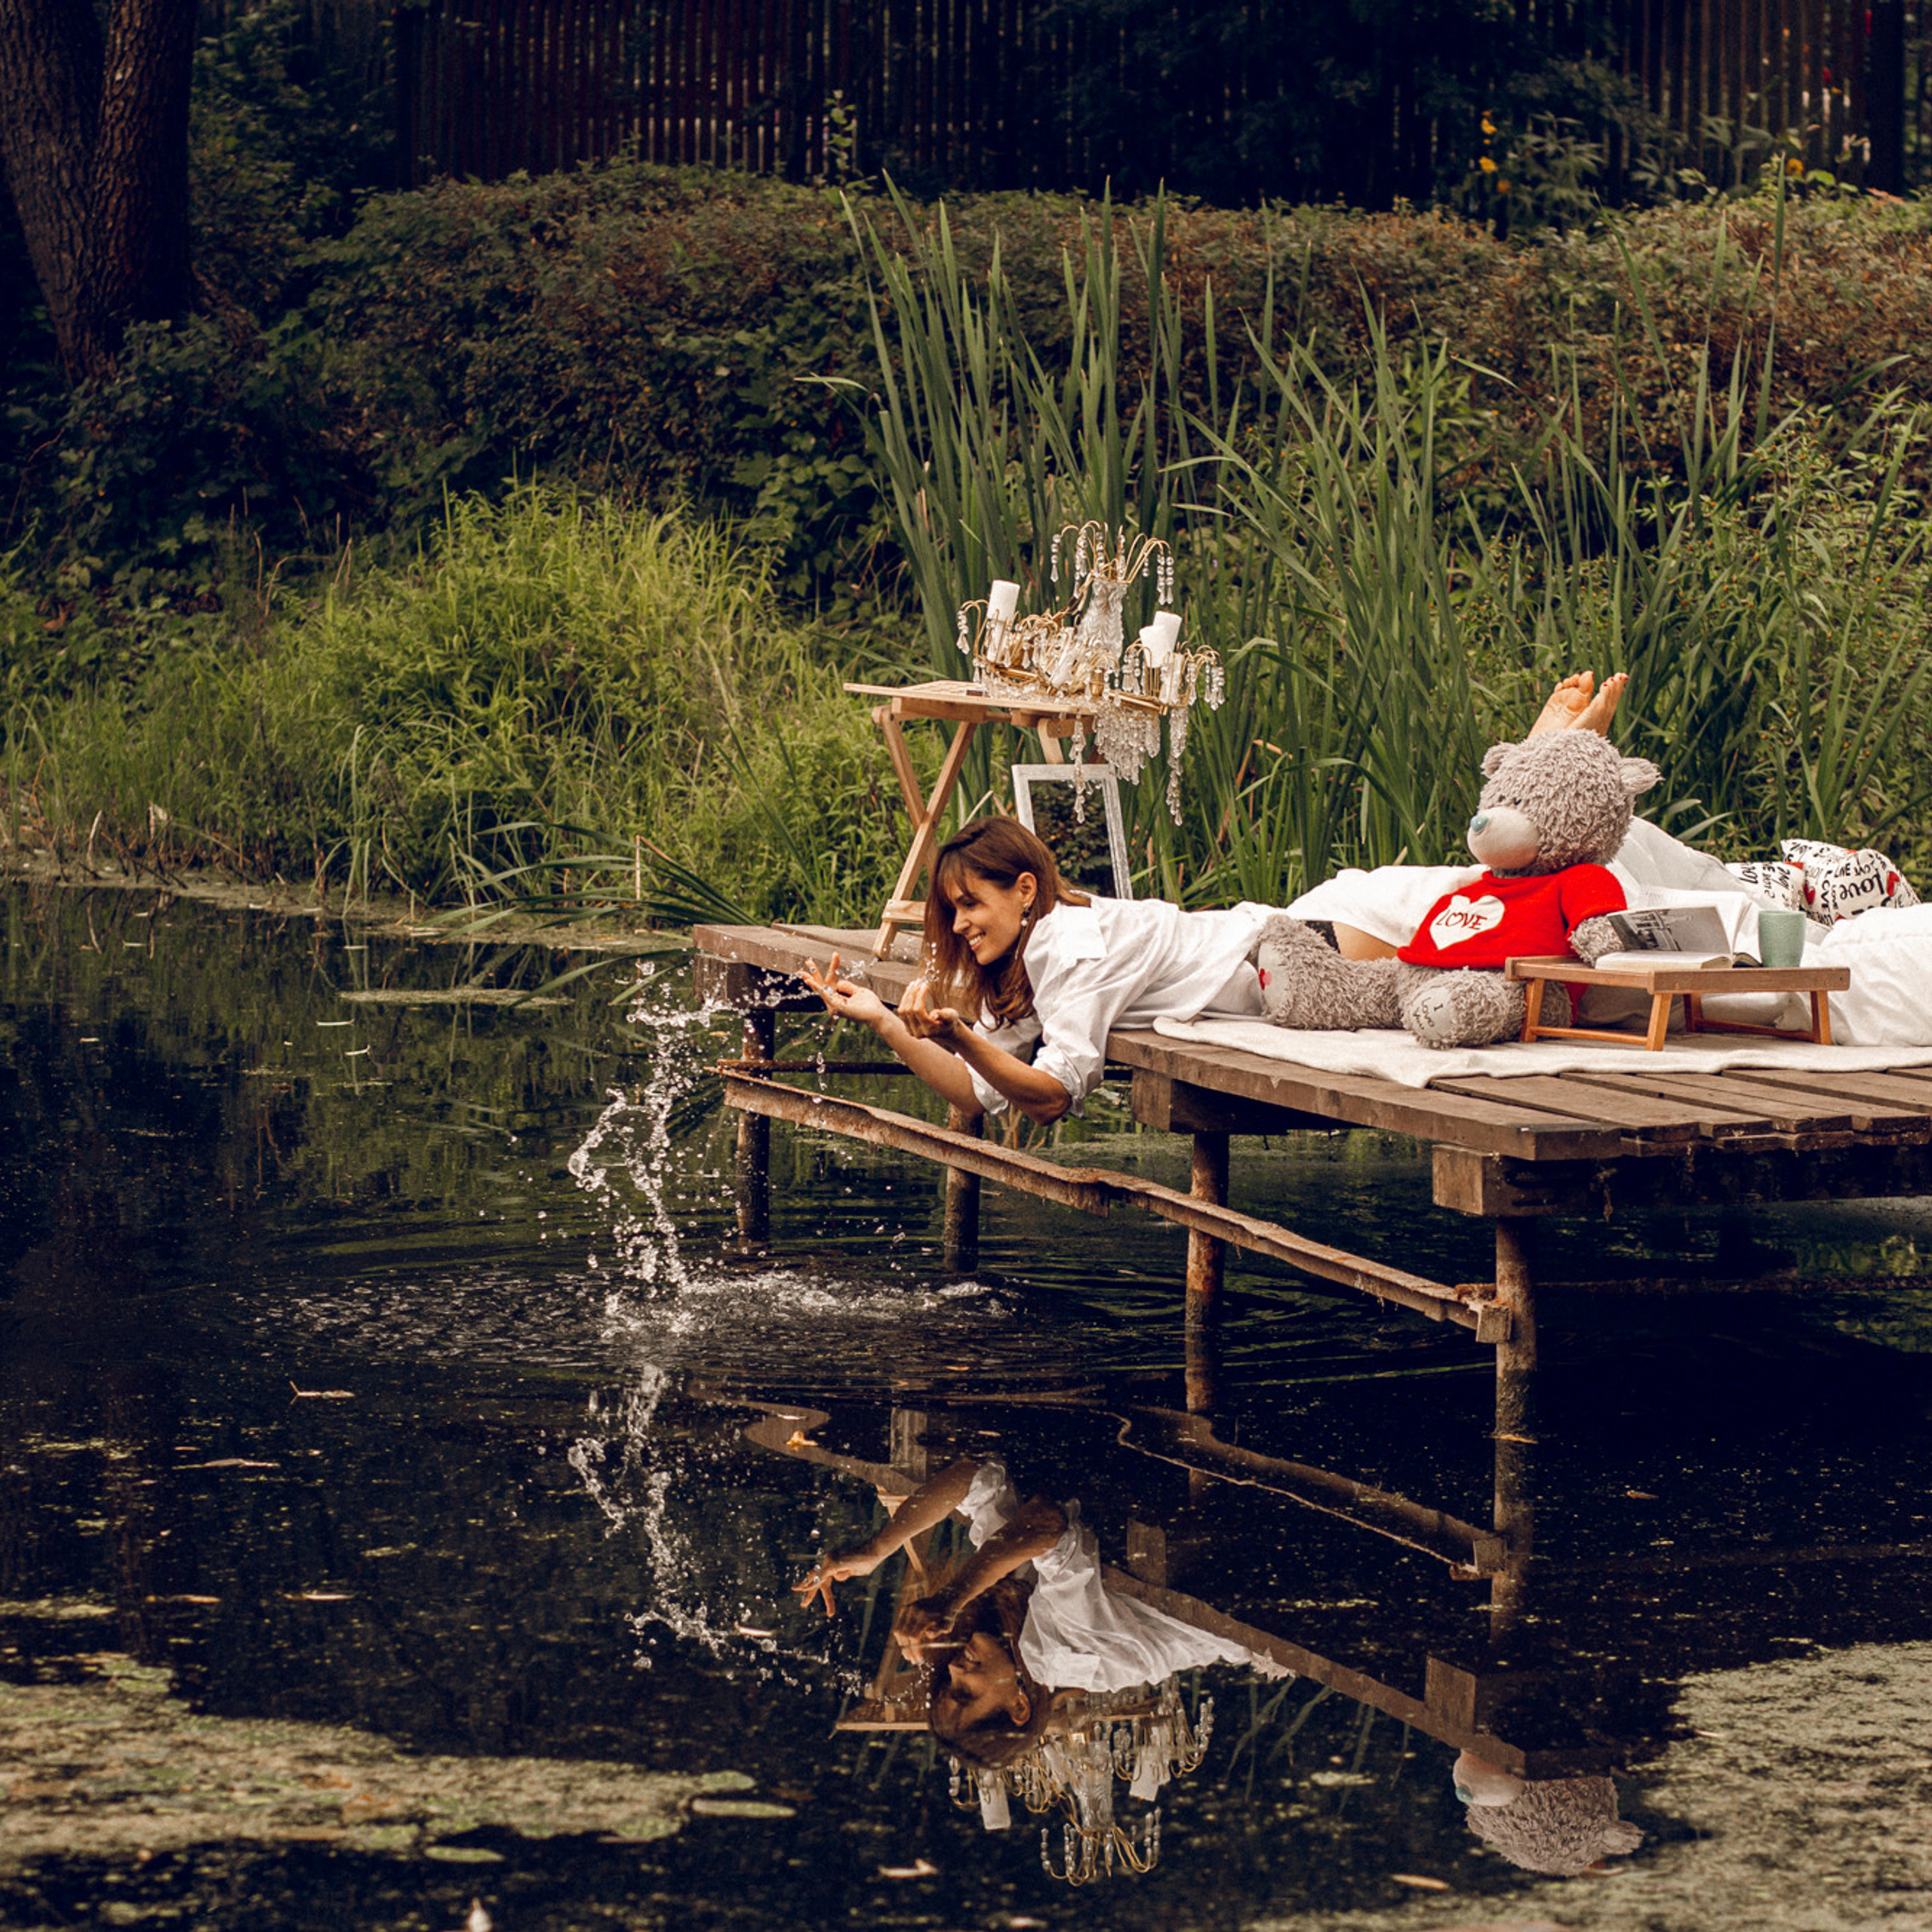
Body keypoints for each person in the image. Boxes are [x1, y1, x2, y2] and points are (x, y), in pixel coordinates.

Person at [792, 1455, 1277, 1769]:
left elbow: (974, 1477)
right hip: (1263, 1606)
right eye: (966, 1693)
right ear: (1021, 1707)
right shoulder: (1063, 1656)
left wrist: (875, 1550)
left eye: (948, 1684)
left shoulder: (1013, 1614)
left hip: (1213, 1546)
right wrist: (949, 1598)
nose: (956, 1669)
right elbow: (1047, 1524)